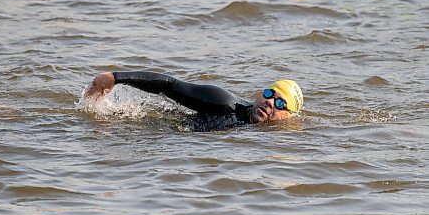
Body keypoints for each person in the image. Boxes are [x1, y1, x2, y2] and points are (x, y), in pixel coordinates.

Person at [85, 71, 303, 130]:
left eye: (280, 103)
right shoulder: (223, 103)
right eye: (268, 94)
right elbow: (170, 85)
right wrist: (116, 77)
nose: (270, 103)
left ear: (289, 118)